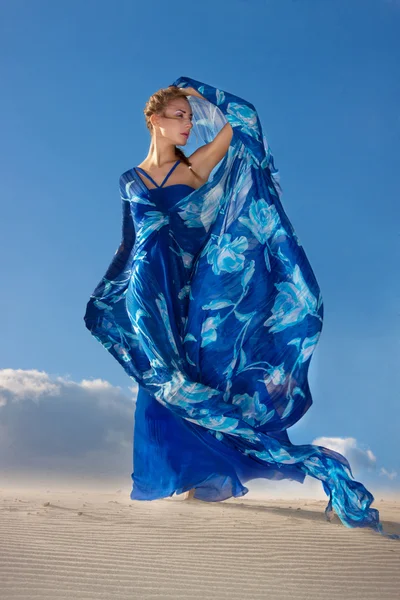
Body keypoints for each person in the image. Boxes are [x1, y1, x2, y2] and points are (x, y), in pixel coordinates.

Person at [84, 76, 398, 539]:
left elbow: (244, 119)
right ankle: (179, 480)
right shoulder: (129, 179)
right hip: (149, 296)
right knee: (158, 385)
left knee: (190, 381)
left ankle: (207, 482)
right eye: (179, 115)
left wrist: (194, 89)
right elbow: (129, 244)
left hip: (189, 294)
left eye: (190, 117)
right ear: (154, 119)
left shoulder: (194, 171)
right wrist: (114, 293)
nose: (188, 124)